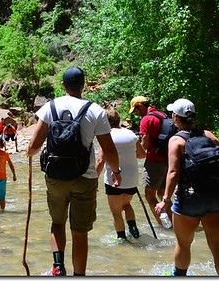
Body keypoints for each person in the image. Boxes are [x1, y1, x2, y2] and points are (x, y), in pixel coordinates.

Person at [26, 66, 121, 277]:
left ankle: (58, 268)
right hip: (85, 177)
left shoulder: (49, 108)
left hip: (56, 176)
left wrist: (30, 154)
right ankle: (79, 275)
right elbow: (109, 150)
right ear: (83, 85)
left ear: (63, 85)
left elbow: (33, 146)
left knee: (57, 222)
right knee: (80, 232)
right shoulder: (95, 110)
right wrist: (116, 171)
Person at [154, 99, 219, 276]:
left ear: (175, 117)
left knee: (183, 244)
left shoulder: (176, 141)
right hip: (216, 196)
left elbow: (173, 172)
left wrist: (165, 200)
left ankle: (180, 276)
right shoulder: (209, 135)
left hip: (189, 199)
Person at [96, 107, 146, 240]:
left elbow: (101, 161)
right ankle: (133, 229)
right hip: (132, 177)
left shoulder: (107, 137)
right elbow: (142, 154)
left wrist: (93, 180)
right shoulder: (130, 134)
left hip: (114, 179)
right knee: (126, 205)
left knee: (116, 212)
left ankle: (122, 238)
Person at [129, 95, 172, 227]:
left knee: (149, 194)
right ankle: (175, 223)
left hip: (155, 161)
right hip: (168, 159)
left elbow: (145, 145)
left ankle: (163, 226)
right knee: (163, 194)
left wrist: (134, 150)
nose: (136, 114)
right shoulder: (162, 115)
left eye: (135, 110)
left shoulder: (146, 119)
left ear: (140, 106)